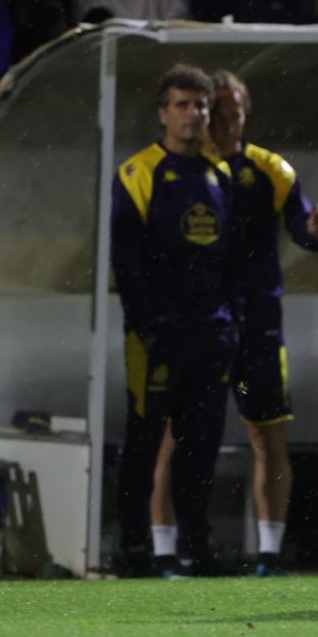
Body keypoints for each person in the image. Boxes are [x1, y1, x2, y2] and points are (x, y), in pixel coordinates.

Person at [150, 71, 318, 576]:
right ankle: (168, 550)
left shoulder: (270, 169)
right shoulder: (178, 171)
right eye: (219, 111)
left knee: (269, 436)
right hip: (196, 326)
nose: (228, 122)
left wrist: (317, 230)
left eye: (237, 112)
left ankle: (269, 552)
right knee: (176, 436)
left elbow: (305, 231)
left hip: (258, 324)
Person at [110, 65, 241, 578]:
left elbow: (231, 256)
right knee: (143, 441)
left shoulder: (219, 174)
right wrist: (147, 325)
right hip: (157, 336)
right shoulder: (138, 172)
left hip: (210, 334)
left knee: (201, 445)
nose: (193, 115)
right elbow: (127, 259)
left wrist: (231, 319)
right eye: (182, 105)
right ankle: (134, 548)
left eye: (201, 106)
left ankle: (196, 547)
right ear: (163, 113)